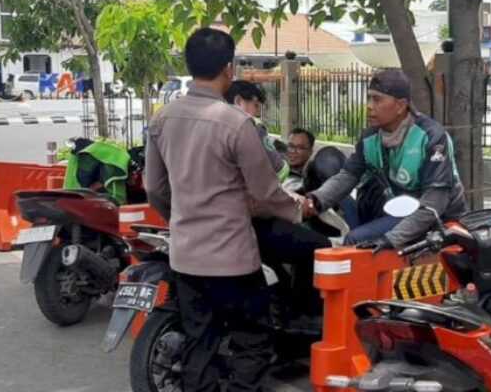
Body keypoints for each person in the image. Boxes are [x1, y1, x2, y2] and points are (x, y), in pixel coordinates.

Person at [145, 28, 304, 392]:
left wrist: (179, 220)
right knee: (254, 341)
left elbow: (155, 187)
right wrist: (298, 209)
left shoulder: (162, 119)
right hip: (232, 260)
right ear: (228, 69)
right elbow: (266, 190)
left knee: (200, 342)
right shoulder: (236, 123)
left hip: (185, 257)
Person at [303, 69, 467, 252]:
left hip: (437, 219)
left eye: (377, 99)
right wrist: (315, 200)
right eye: (369, 98)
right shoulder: (370, 138)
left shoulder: (432, 137)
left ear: (401, 105)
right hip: (399, 209)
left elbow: (433, 205)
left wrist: (390, 240)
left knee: (356, 240)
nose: (369, 106)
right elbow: (347, 176)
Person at [283, 127, 360, 229]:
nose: (293, 151)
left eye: (300, 148)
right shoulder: (279, 169)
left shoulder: (317, 171)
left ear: (310, 151)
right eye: (290, 146)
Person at [224, 80, 290, 181]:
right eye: (255, 105)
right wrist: (284, 159)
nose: (257, 113)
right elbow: (278, 169)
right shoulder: (252, 128)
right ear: (238, 101)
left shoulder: (209, 126)